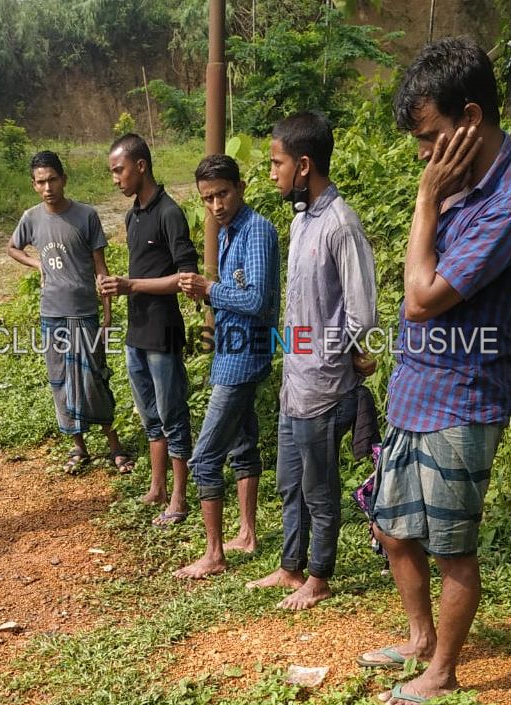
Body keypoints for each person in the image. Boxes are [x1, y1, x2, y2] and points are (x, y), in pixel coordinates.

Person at [359, 38, 511, 705]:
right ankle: (418, 639)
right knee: (391, 528)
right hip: (415, 383)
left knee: (451, 549)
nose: (423, 154)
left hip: (463, 398)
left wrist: (423, 199)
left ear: (470, 118)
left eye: (429, 137)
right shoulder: (462, 184)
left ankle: (442, 671)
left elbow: (420, 294)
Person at [245, 112, 378, 610]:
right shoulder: (302, 219)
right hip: (293, 382)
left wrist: (339, 354)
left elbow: (361, 312)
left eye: (277, 163)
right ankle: (289, 567)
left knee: (320, 490)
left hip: (322, 387)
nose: (272, 172)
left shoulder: (341, 225)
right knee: (290, 483)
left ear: (303, 165)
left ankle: (319, 577)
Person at [173, 154, 280, 579]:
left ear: (240, 188)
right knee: (243, 444)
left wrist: (209, 289)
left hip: (243, 357)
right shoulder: (230, 232)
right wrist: (208, 293)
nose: (215, 205)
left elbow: (257, 301)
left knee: (204, 457)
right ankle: (248, 534)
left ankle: (214, 554)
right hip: (232, 351)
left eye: (222, 194)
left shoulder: (256, 231)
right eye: (207, 199)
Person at [7, 150, 134, 475]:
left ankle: (114, 444)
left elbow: (101, 269)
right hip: (52, 314)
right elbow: (13, 247)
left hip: (84, 314)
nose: (47, 187)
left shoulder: (86, 216)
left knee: (94, 379)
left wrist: (107, 317)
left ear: (63, 179)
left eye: (52, 179)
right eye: (40, 182)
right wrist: (37, 263)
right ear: (34, 185)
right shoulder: (32, 218)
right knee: (61, 381)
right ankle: (78, 447)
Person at [102, 134, 198, 525]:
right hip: (137, 332)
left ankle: (179, 497)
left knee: (173, 414)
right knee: (150, 416)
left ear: (141, 166)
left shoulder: (169, 213)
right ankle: (157, 486)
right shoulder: (133, 215)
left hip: (165, 332)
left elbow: (186, 277)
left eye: (119, 170)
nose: (115, 180)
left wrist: (130, 285)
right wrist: (118, 286)